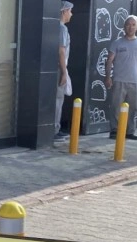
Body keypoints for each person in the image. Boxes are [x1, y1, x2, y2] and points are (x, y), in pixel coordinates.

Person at [105, 15, 137, 140]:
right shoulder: (117, 43)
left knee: (133, 108)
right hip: (119, 80)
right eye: (128, 24)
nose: (130, 27)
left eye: (133, 25)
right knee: (116, 107)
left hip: (134, 81)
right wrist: (108, 77)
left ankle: (129, 132)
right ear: (124, 26)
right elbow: (109, 60)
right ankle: (114, 130)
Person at [55, 1, 74, 140]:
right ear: (64, 11)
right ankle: (54, 129)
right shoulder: (62, 29)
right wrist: (63, 72)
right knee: (58, 99)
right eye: (70, 11)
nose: (71, 14)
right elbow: (61, 51)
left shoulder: (56, 27)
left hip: (57, 67)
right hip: (59, 68)